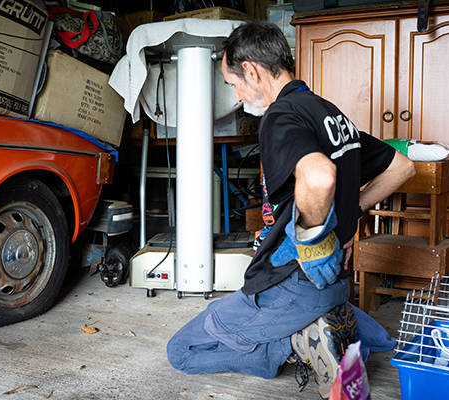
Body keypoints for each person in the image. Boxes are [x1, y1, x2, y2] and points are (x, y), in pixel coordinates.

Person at [166, 20, 416, 399]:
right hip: (336, 285)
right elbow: (403, 166)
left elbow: (319, 177)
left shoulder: (280, 116)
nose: (236, 97)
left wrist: (314, 242)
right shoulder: (330, 114)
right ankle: (335, 329)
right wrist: (349, 214)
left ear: (251, 71)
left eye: (233, 84)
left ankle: (299, 339)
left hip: (293, 284)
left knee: (182, 351)